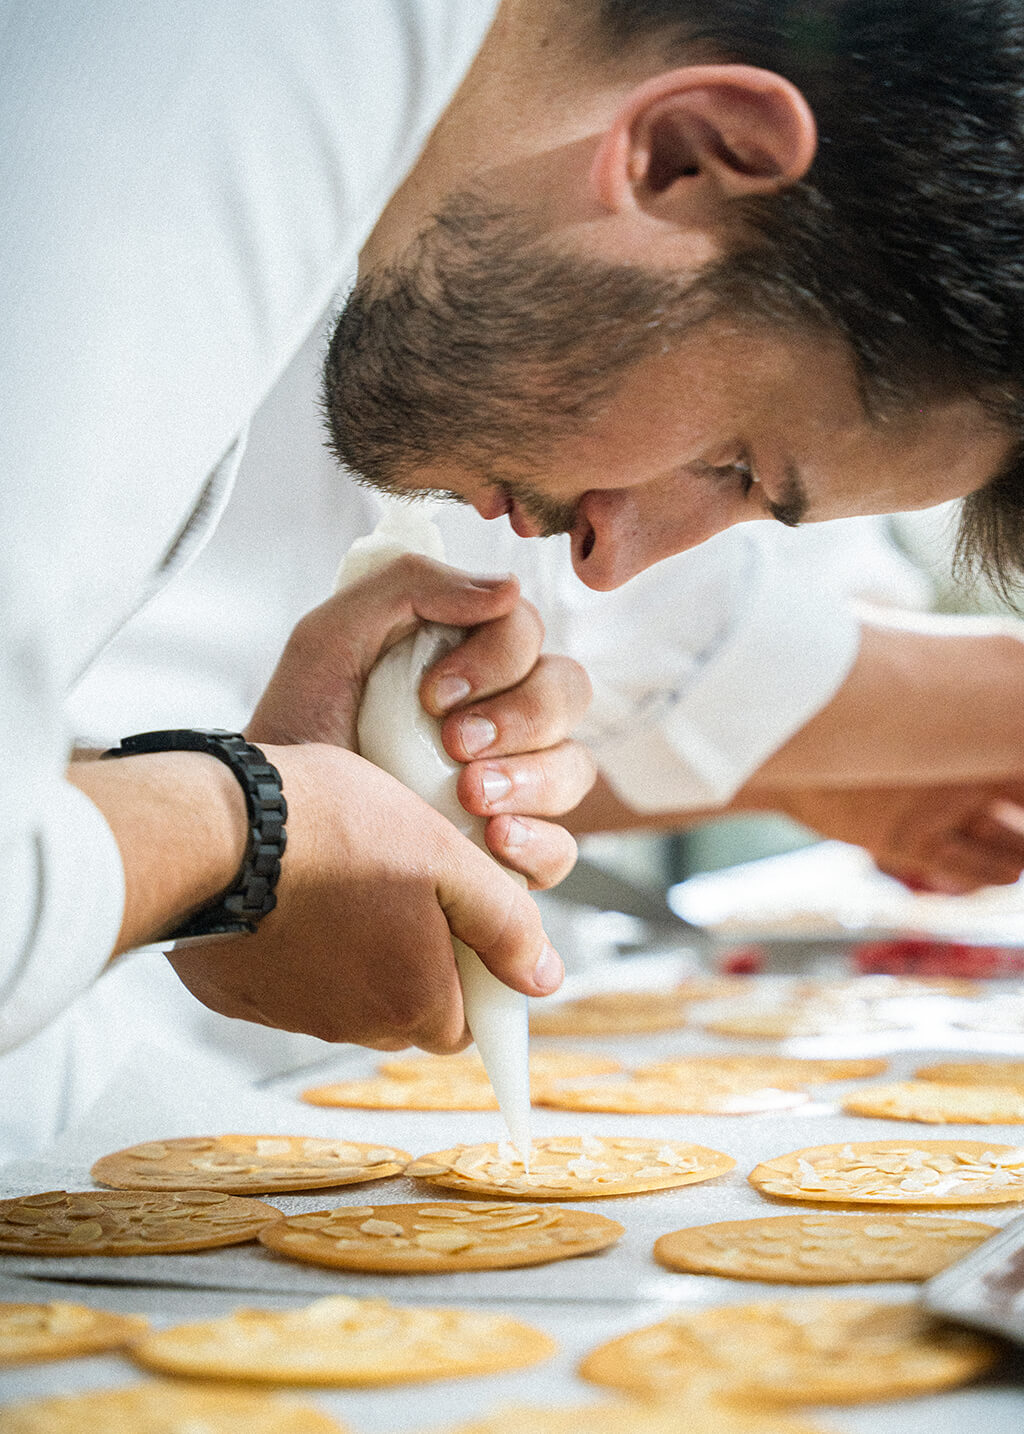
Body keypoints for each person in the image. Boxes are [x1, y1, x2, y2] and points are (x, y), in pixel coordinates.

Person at [6, 1, 1024, 1064]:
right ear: (682, 157)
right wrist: (247, 835)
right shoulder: (198, 67)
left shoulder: (447, 221)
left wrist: (274, 798)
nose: (614, 561)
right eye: (731, 464)